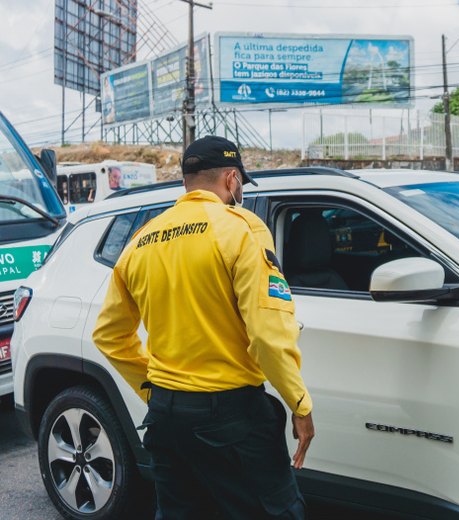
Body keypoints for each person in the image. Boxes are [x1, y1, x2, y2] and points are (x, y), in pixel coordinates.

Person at [93, 135, 314, 520]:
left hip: (164, 419)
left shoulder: (141, 241)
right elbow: (267, 332)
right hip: (232, 419)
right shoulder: (241, 229)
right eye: (240, 183)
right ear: (231, 179)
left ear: (186, 180)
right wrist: (299, 403)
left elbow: (108, 336)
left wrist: (156, 390)